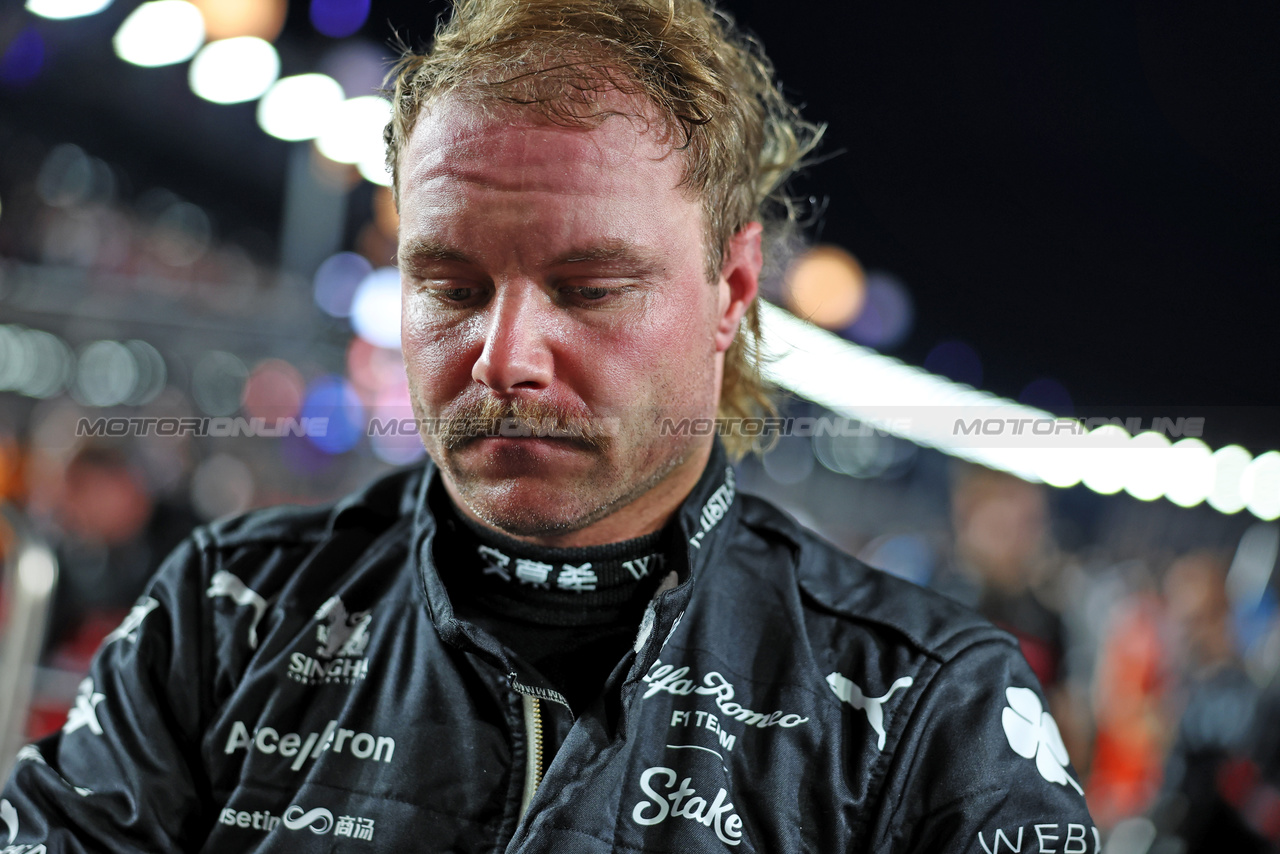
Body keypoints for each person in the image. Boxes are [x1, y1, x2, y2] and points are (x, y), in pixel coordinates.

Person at [1, 0, 1098, 850]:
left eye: (588, 286)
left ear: (728, 289)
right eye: (450, 282)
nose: (504, 357)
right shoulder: (224, 615)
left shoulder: (924, 709)